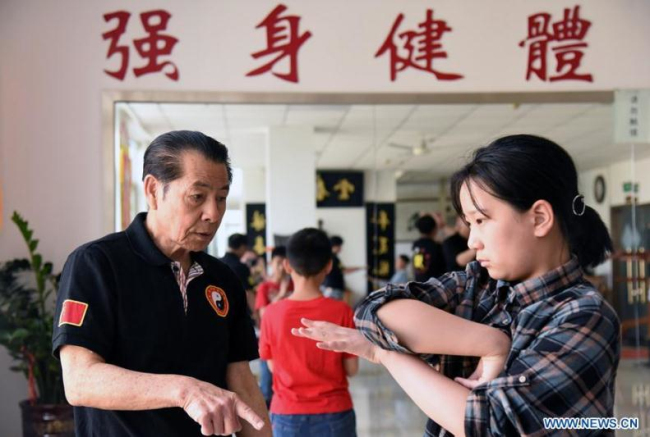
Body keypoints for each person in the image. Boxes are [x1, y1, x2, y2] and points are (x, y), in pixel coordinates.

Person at [294, 134, 620, 436]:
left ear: (539, 218)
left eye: (481, 220)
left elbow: (492, 425)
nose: (473, 240)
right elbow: (373, 310)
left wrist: (385, 354)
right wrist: (490, 343)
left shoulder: (584, 315)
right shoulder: (478, 284)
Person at [52, 130, 271, 436]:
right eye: (198, 196)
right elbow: (80, 381)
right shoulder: (97, 264)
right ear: (153, 190)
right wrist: (184, 390)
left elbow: (242, 383)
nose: (213, 213)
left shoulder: (223, 279)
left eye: (221, 198)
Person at [259, 228, 359, 437]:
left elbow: (272, 366)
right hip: (335, 412)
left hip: (287, 414)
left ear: (287, 265)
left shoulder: (271, 313)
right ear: (329, 266)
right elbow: (352, 368)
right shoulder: (342, 311)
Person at [254, 246, 293, 408]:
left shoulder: (294, 286)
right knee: (267, 383)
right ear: (271, 263)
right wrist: (281, 295)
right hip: (270, 341)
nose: (281, 267)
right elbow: (264, 315)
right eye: (278, 263)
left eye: (284, 263)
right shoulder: (265, 288)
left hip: (289, 341)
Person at [321, 235, 364, 301]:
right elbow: (343, 270)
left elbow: (341, 270)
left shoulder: (332, 257)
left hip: (332, 287)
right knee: (333, 308)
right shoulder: (332, 258)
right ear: (334, 246)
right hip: (332, 288)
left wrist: (357, 268)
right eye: (339, 246)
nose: (341, 248)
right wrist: (357, 268)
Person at [411, 215, 446, 281]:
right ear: (434, 229)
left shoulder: (416, 245)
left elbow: (414, 266)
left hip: (418, 283)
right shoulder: (437, 246)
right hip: (434, 284)